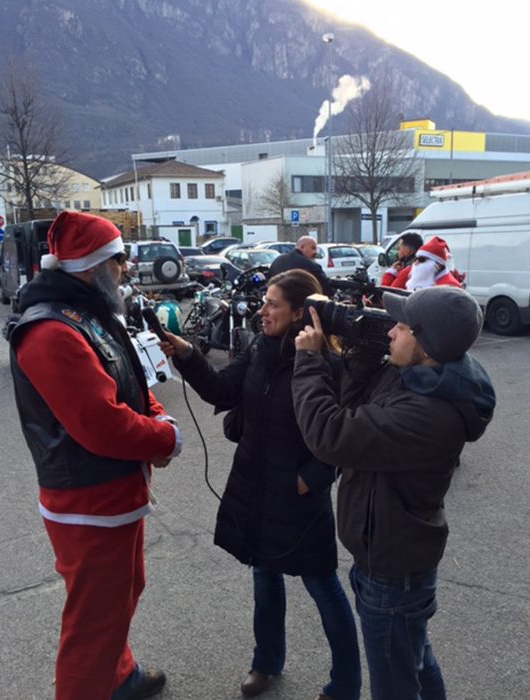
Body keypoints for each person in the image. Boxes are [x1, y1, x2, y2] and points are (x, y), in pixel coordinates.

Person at [160, 269, 360, 700]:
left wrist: (314, 478)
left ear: (299, 313)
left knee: (324, 586)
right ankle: (266, 661)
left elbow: (340, 433)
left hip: (300, 495)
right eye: (263, 301)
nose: (262, 310)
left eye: (272, 304)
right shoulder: (257, 347)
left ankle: (345, 682)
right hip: (255, 485)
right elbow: (223, 390)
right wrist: (188, 355)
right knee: (264, 579)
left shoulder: (327, 361)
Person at [292, 286, 496, 700]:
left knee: (395, 686)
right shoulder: (421, 377)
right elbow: (354, 407)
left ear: (424, 342)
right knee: (416, 661)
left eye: (400, 326)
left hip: (393, 573)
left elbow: (331, 434)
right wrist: (360, 355)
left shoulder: (428, 413)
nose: (389, 333)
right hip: (390, 556)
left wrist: (310, 361)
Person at [9, 211, 181, 700]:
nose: (127, 268)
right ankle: (93, 684)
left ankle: (119, 677)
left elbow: (131, 377)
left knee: (122, 592)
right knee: (92, 622)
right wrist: (164, 440)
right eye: (120, 259)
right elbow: (100, 424)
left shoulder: (88, 313)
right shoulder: (52, 331)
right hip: (87, 500)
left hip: (111, 491)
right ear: (95, 264)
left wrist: (157, 420)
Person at [388, 236, 462, 291]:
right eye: (416, 259)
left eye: (421, 260)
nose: (416, 263)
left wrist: (389, 274)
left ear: (438, 264)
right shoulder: (427, 279)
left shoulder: (450, 286)